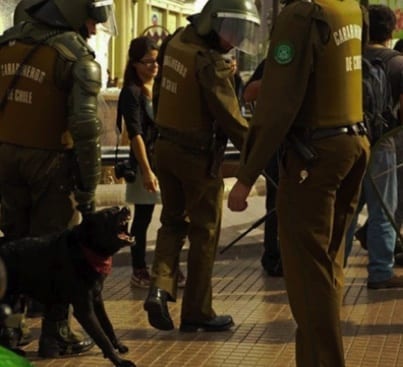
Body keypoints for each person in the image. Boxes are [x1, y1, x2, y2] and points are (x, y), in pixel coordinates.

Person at [228, 0, 370, 366]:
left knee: (308, 275)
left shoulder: (302, 14)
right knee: (325, 270)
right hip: (351, 144)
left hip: (314, 156)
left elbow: (278, 101)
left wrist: (245, 177)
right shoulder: (349, 8)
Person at [0, 0, 116, 358]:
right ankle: (57, 333)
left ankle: (9, 328)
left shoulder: (7, 43)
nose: (94, 29)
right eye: (90, 21)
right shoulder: (74, 56)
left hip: (5, 159)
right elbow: (85, 128)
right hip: (50, 165)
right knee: (56, 249)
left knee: (15, 246)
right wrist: (88, 188)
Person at [143, 0, 260, 332]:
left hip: (164, 146)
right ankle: (197, 311)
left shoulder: (176, 40)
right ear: (212, 22)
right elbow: (233, 121)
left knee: (171, 222)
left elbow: (159, 98)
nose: (234, 40)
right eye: (230, 31)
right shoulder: (208, 63)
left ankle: (159, 288)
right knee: (204, 233)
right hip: (196, 157)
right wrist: (264, 151)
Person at [118, 36, 186, 289]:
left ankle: (169, 268)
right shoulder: (131, 93)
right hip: (144, 163)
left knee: (174, 216)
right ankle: (139, 270)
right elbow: (135, 133)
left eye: (157, 61)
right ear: (135, 64)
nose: (154, 66)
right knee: (142, 219)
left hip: (167, 161)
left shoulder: (161, 88)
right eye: (148, 62)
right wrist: (145, 171)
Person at [345, 5, 403, 285]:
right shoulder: (398, 63)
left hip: (350, 140)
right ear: (391, 30)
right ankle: (380, 272)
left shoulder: (350, 59)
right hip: (384, 143)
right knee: (384, 209)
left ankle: (335, 266)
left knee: (347, 209)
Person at [243, 58, 283, 277]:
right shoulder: (273, 62)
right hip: (276, 144)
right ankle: (274, 256)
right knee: (275, 203)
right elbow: (248, 93)